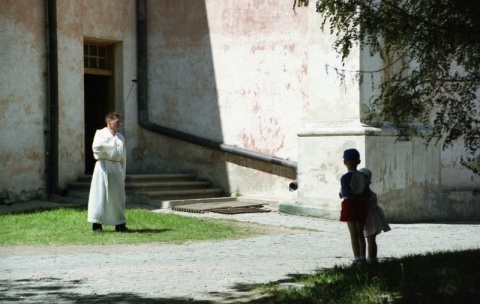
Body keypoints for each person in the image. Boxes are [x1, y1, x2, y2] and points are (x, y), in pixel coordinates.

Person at [87, 112, 128, 233]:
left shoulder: (120, 137)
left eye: (120, 122)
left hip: (116, 167)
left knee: (118, 196)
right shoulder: (100, 133)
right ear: (109, 121)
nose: (119, 124)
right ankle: (97, 224)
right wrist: (111, 144)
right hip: (103, 166)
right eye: (117, 121)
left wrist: (123, 172)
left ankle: (119, 223)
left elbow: (123, 156)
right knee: (100, 195)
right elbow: (97, 148)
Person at [339, 148, 369, 263]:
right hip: (362, 204)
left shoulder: (345, 177)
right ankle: (363, 257)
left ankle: (357, 258)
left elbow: (347, 193)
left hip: (350, 205)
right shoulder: (364, 176)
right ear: (358, 162)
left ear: (345, 162)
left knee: (353, 233)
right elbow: (367, 193)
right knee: (360, 232)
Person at [359, 168, 391, 264]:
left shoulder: (366, 193)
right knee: (370, 240)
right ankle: (370, 258)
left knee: (370, 240)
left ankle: (370, 259)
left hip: (369, 218)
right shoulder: (368, 192)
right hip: (371, 217)